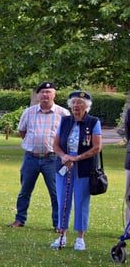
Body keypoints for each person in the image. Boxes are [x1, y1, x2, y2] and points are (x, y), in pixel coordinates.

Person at [8, 82, 69, 229]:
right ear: (37, 95)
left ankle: (58, 223)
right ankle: (19, 219)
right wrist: (33, 143)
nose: (45, 95)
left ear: (54, 94)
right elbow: (22, 131)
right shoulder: (28, 112)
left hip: (52, 159)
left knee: (56, 193)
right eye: (42, 92)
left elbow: (67, 136)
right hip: (31, 158)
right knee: (24, 191)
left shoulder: (63, 114)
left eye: (48, 92)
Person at [51, 91, 102, 250]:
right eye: (73, 103)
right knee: (62, 201)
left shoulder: (93, 122)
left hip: (84, 167)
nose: (75, 106)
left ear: (86, 106)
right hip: (64, 166)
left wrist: (76, 158)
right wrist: (64, 156)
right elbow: (55, 145)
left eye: (79, 103)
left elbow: (97, 147)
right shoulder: (65, 121)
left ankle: (80, 238)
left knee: (81, 201)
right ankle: (62, 235)